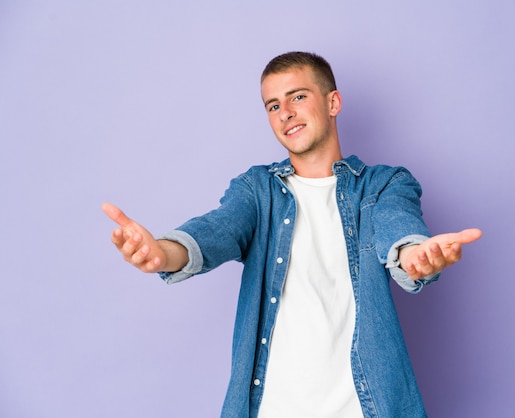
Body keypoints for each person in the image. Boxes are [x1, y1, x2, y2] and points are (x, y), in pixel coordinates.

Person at [103, 51, 482, 418]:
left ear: (333, 103)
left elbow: (398, 229)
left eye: (298, 97)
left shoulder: (383, 185)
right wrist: (163, 252)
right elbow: (217, 230)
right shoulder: (257, 190)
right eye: (272, 105)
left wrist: (415, 255)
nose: (285, 112)